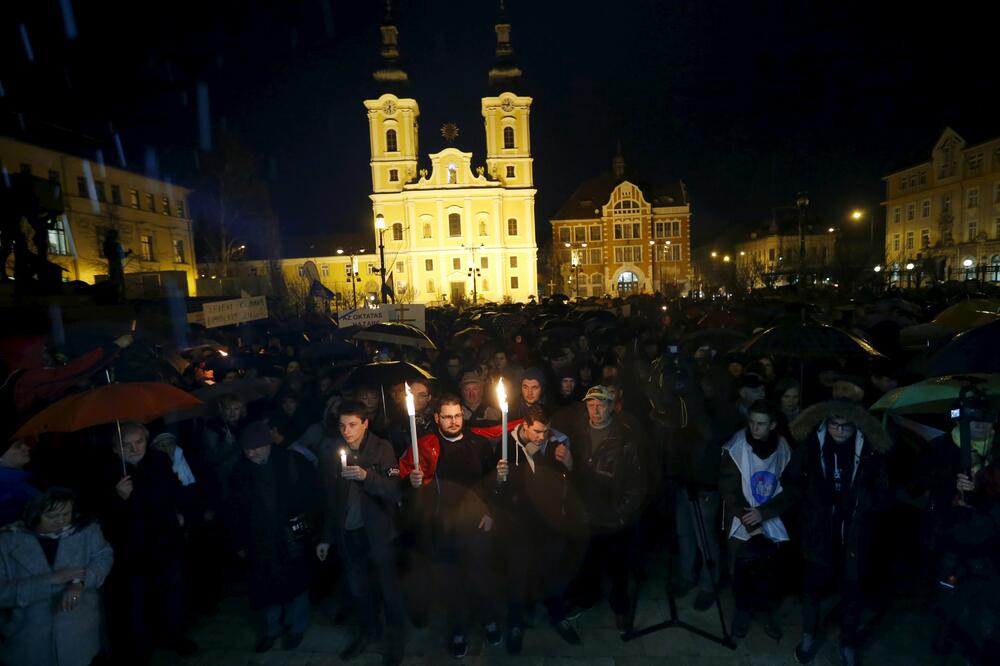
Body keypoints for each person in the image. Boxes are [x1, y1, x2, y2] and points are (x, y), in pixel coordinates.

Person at [783, 399, 892, 666]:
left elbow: (884, 496)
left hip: (853, 535)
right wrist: (811, 501)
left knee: (851, 591)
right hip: (817, 532)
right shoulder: (811, 446)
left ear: (857, 427)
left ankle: (847, 643)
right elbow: (790, 479)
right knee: (812, 589)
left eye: (846, 427)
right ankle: (809, 634)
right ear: (825, 424)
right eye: (834, 425)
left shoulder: (870, 453)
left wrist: (862, 503)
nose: (840, 431)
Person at [401, 395, 500, 658]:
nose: (453, 421)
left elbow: (490, 482)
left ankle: (489, 619)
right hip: (442, 529)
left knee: (480, 577)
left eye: (457, 415)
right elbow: (409, 489)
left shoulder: (478, 444)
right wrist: (412, 483)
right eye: (447, 416)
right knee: (452, 584)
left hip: (475, 525)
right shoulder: (427, 448)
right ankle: (459, 630)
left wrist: (489, 510)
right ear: (437, 418)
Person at [91, 422, 196, 664]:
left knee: (173, 593)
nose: (134, 448)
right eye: (126, 445)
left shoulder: (158, 460)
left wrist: (181, 513)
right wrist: (119, 498)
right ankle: (142, 647)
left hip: (165, 541)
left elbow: (175, 489)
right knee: (137, 601)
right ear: (116, 449)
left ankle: (177, 636)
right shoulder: (108, 471)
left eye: (138, 442)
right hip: (133, 549)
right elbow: (101, 515)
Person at [316, 401, 406, 666]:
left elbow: (395, 490)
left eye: (353, 425)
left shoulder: (382, 448)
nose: (347, 431)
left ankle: (394, 641)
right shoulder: (335, 452)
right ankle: (368, 633)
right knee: (359, 591)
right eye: (343, 425)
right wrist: (326, 537)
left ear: (365, 423)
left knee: (388, 591)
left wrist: (367, 477)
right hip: (349, 536)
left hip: (378, 536)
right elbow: (331, 500)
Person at [494, 405, 581, 653]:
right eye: (537, 432)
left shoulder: (556, 445)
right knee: (518, 576)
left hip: (550, 525)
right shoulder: (506, 447)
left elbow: (573, 481)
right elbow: (496, 492)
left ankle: (558, 617)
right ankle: (515, 624)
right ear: (524, 426)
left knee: (553, 572)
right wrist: (501, 480)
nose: (542, 437)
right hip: (518, 526)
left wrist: (570, 462)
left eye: (546, 431)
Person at [562, 385, 647, 634]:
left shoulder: (625, 438)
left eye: (601, 404)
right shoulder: (577, 434)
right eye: (591, 404)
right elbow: (573, 475)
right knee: (587, 562)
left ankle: (620, 607)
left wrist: (621, 514)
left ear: (611, 406)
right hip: (586, 515)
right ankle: (587, 598)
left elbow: (637, 483)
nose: (595, 409)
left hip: (613, 518)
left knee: (618, 566)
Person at [230, 421, 320, 653]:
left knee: (296, 584)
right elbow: (235, 509)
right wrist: (239, 541)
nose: (251, 453)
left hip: (290, 537)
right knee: (267, 587)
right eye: (247, 449)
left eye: (256, 447)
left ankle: (296, 628)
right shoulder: (240, 471)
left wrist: (311, 529)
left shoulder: (292, 462)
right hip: (260, 541)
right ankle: (272, 630)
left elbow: (312, 496)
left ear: (268, 444)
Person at [0, 487, 114, 666]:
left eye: (67, 514)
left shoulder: (87, 531)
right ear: (33, 512)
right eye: (52, 516)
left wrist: (80, 582)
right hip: (27, 640)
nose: (61, 521)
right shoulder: (7, 541)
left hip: (79, 635)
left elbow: (103, 558)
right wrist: (50, 579)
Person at [719, 400, 794, 639]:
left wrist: (767, 512)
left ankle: (764, 611)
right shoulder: (737, 447)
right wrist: (750, 520)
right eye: (751, 422)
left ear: (773, 425)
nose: (754, 428)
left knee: (768, 571)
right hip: (742, 519)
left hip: (770, 515)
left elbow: (791, 488)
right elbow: (729, 490)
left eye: (761, 424)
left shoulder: (783, 447)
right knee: (740, 569)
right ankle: (742, 612)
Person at [0, 438, 37, 526]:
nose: (27, 447)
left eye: (23, 443)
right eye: (18, 446)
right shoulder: (6, 490)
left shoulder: (18, 480)